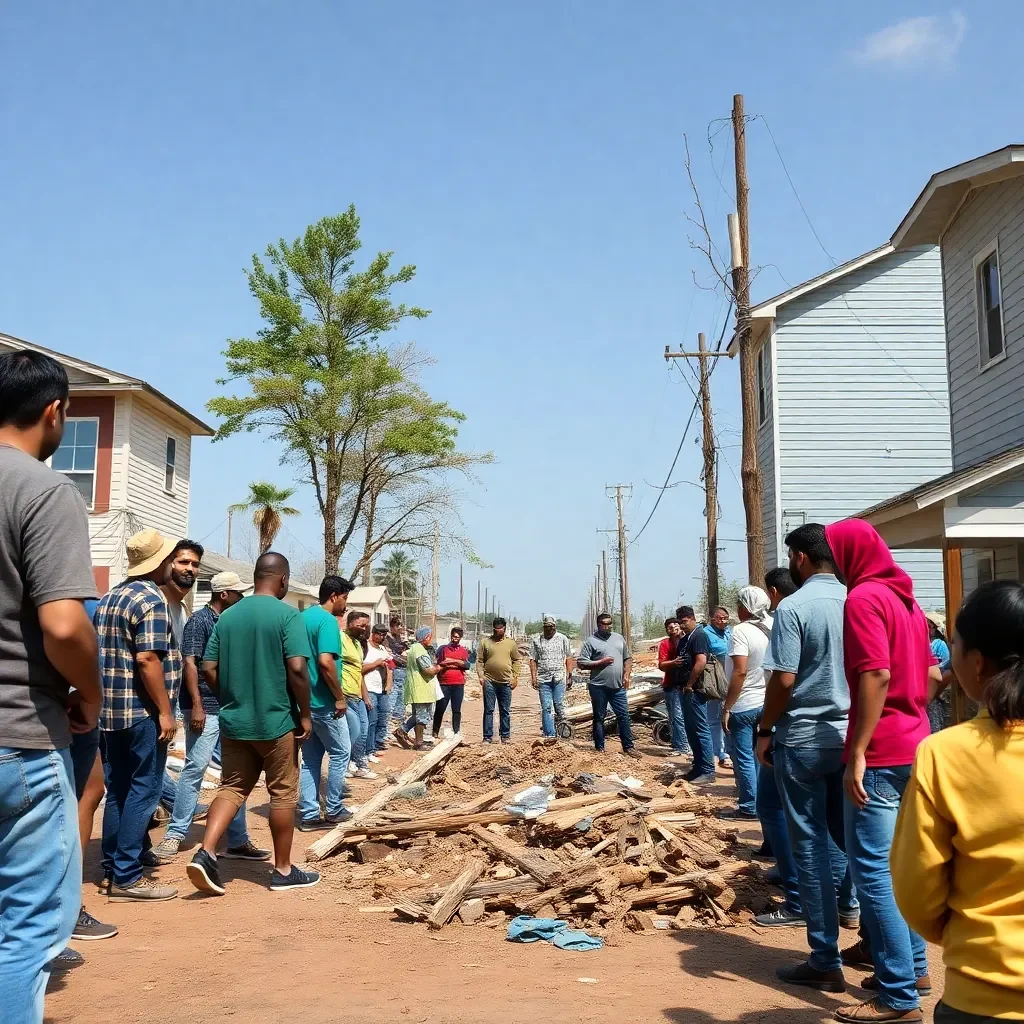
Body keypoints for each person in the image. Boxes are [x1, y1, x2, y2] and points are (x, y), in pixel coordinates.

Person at [0, 349, 104, 1022]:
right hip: (17, 738)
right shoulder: (39, 489)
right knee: (27, 931)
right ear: (54, 411)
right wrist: (88, 695)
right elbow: (65, 627)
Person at [892, 580, 1024, 1024]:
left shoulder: (945, 753)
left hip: (983, 992)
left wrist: (963, 933)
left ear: (977, 662)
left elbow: (916, 887)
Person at [826, 520, 933, 1023]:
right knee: (900, 867)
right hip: (916, 744)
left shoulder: (864, 598)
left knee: (873, 874)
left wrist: (861, 750)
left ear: (850, 555)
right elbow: (930, 675)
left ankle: (898, 997)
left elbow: (875, 673)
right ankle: (913, 969)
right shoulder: (906, 599)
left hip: (882, 751)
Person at [757, 524, 855, 993]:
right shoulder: (858, 600)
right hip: (852, 737)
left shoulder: (794, 608)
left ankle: (824, 956)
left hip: (802, 738)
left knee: (811, 846)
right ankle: (854, 916)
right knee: (851, 840)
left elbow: (783, 680)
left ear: (798, 558)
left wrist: (764, 727)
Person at [186, 552, 318, 895]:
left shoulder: (227, 617)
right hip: (277, 722)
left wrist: (231, 697)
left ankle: (207, 852)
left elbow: (208, 668)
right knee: (282, 794)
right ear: (284, 580)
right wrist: (304, 713)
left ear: (256, 576)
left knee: (231, 787)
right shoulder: (289, 616)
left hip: (235, 721)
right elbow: (299, 669)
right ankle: (284, 870)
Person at [153, 572, 268, 859]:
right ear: (224, 594)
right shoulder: (200, 622)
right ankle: (175, 833)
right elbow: (190, 664)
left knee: (236, 775)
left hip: (229, 707)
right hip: (205, 708)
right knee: (195, 768)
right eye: (238, 593)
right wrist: (198, 705)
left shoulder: (230, 622)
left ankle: (238, 839)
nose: (243, 598)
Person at [95, 528, 182, 903]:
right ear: (160, 563)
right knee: (144, 790)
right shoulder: (152, 600)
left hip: (109, 710)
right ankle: (128, 875)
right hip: (141, 710)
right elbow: (148, 659)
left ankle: (114, 864)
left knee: (117, 789)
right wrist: (164, 711)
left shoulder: (110, 597)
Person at [296, 575, 356, 831]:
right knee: (342, 752)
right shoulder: (328, 622)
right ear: (334, 597)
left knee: (310, 759)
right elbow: (325, 662)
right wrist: (339, 697)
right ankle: (334, 808)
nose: (345, 605)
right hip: (324, 702)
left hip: (304, 702)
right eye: (345, 599)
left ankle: (309, 813)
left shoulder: (302, 618)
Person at [718, 587, 772, 821]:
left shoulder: (741, 631)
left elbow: (739, 671)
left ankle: (749, 806)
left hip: (744, 703)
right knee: (760, 754)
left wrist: (727, 706)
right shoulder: (772, 626)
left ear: (745, 608)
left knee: (743, 757)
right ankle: (763, 802)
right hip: (767, 701)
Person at [577, 612, 640, 759]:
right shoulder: (591, 642)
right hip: (598, 686)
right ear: (598, 625)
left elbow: (628, 658)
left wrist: (626, 674)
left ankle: (628, 747)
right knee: (599, 717)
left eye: (609, 624)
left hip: (617, 687)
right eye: (604, 624)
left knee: (623, 715)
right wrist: (600, 662)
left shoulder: (618, 638)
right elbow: (581, 663)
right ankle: (600, 748)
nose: (607, 627)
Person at [676, 606, 716, 785]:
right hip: (684, 689)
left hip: (695, 689)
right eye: (680, 622)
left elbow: (700, 662)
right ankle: (698, 767)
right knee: (691, 730)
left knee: (701, 729)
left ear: (692, 618)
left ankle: (708, 770)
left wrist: (690, 684)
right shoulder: (685, 639)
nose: (682, 625)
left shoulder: (699, 636)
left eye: (684, 622)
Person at [340, 610, 377, 776]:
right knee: (353, 731)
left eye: (366, 625)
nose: (364, 628)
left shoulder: (357, 643)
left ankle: (358, 763)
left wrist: (365, 695)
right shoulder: (340, 638)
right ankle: (348, 764)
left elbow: (358, 671)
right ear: (350, 624)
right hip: (344, 693)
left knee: (363, 729)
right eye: (361, 625)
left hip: (357, 695)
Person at [477, 617, 521, 744]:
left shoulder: (511, 643)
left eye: (500, 629)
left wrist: (515, 677)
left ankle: (505, 736)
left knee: (505, 710)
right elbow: (480, 660)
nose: (498, 631)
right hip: (489, 681)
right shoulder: (485, 642)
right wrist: (481, 676)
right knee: (489, 709)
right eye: (495, 629)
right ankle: (487, 737)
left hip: (506, 682)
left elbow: (517, 660)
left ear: (504, 628)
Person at [528, 616, 574, 738]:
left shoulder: (562, 639)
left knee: (559, 704)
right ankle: (549, 734)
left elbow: (569, 657)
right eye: (547, 627)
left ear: (555, 627)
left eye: (551, 627)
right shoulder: (536, 640)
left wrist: (569, 675)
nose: (549, 629)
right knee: (546, 707)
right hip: (544, 679)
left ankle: (563, 732)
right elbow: (533, 659)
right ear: (544, 627)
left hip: (559, 677)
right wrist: (533, 677)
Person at [397, 627, 442, 749]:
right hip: (421, 687)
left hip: (417, 687)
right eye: (430, 637)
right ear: (426, 637)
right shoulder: (420, 650)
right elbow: (429, 670)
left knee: (418, 715)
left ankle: (403, 731)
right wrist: (439, 668)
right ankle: (418, 743)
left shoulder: (414, 649)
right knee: (422, 717)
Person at [657, 618, 691, 756]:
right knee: (674, 716)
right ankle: (678, 744)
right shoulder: (665, 644)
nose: (673, 628)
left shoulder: (689, 640)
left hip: (685, 685)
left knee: (681, 716)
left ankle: (683, 745)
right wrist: (674, 663)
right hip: (671, 685)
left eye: (675, 625)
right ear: (667, 630)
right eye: (670, 627)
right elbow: (661, 665)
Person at [706, 606, 733, 768]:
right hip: (715, 681)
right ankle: (718, 752)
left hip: (732, 680)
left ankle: (728, 749)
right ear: (712, 618)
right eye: (719, 618)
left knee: (729, 716)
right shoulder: (706, 634)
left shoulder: (731, 632)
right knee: (714, 718)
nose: (723, 621)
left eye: (725, 618)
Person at [434, 625, 471, 737]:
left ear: (460, 638)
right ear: (450, 636)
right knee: (440, 708)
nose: (455, 638)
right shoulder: (443, 649)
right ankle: (435, 732)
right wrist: (457, 663)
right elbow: (441, 663)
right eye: (454, 636)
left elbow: (466, 665)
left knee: (456, 709)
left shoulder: (463, 650)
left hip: (458, 684)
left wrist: (452, 661)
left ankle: (456, 731)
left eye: (458, 637)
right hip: (444, 683)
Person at [364, 622, 393, 752]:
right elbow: (361, 668)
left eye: (384, 635)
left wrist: (388, 685)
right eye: (380, 634)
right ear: (373, 634)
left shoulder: (382, 649)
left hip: (382, 689)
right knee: (372, 720)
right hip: (370, 688)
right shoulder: (366, 648)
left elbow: (391, 666)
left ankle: (377, 742)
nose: (382, 637)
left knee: (383, 716)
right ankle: (369, 749)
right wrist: (376, 664)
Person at [925, 612, 952, 733]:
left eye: (929, 626)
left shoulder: (939, 644)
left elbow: (945, 667)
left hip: (936, 692)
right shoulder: (922, 643)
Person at [385, 616, 409, 729]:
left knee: (402, 692)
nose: (400, 628)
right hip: (394, 669)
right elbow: (390, 655)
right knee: (394, 691)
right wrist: (403, 659)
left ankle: (398, 716)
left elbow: (404, 652)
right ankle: (391, 715)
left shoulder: (399, 638)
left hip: (402, 668)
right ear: (392, 626)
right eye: (398, 625)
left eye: (401, 625)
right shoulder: (387, 638)